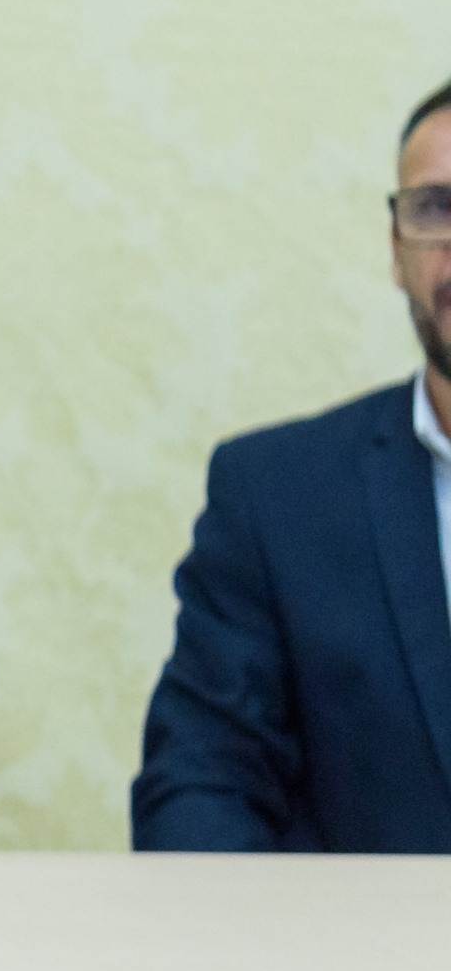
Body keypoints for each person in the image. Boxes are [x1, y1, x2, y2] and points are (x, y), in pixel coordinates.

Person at [136, 78, 451, 850]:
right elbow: (202, 784)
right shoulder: (278, 498)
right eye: (436, 209)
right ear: (396, 251)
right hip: (356, 935)